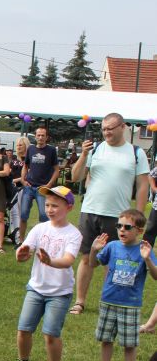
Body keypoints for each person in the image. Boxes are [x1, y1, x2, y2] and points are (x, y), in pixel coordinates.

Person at [69, 113, 149, 316]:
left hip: (118, 216)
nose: (106, 133)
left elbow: (142, 186)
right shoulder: (95, 149)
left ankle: (108, 302)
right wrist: (83, 155)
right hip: (90, 211)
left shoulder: (136, 153)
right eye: (104, 129)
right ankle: (79, 301)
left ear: (123, 127)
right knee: (86, 258)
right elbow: (75, 177)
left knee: (113, 260)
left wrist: (138, 215)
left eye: (110, 128)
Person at [6, 186, 82, 361]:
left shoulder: (73, 234)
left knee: (51, 334)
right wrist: (21, 255)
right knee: (23, 329)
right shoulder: (40, 228)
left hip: (59, 293)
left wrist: (51, 262)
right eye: (47, 205)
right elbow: (25, 251)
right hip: (36, 289)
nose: (49, 209)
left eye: (55, 206)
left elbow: (68, 260)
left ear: (69, 207)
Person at [88, 209, 157, 361]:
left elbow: (156, 276)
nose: (121, 230)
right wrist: (94, 250)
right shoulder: (112, 246)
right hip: (108, 301)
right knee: (106, 339)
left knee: (129, 343)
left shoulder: (144, 249)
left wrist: (148, 260)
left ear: (139, 230)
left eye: (127, 227)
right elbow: (93, 264)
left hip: (131, 305)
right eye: (119, 226)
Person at [18, 127, 58, 242]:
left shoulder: (51, 150)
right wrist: (23, 180)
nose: (40, 137)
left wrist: (49, 185)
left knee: (44, 215)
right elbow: (25, 166)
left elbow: (56, 170)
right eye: (38, 135)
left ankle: (43, 241)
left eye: (43, 135)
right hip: (29, 187)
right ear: (35, 137)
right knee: (23, 214)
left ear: (46, 137)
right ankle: (21, 241)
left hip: (42, 189)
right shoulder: (30, 149)